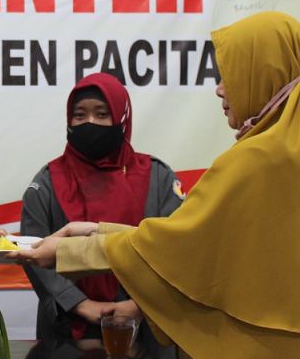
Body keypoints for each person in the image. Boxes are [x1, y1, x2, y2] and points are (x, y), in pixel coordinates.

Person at [11, 12, 300, 359]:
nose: (221, 89)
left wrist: (68, 252)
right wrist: (97, 230)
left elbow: (178, 247)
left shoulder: (256, 161)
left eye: (231, 74)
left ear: (265, 74)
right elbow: (190, 235)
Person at [21, 72, 184, 340]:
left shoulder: (157, 176)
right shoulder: (48, 181)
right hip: (66, 330)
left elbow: (175, 248)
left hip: (146, 327)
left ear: (121, 118)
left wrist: (139, 306)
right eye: (80, 115)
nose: (90, 123)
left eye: (102, 114)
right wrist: (82, 305)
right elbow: (34, 253)